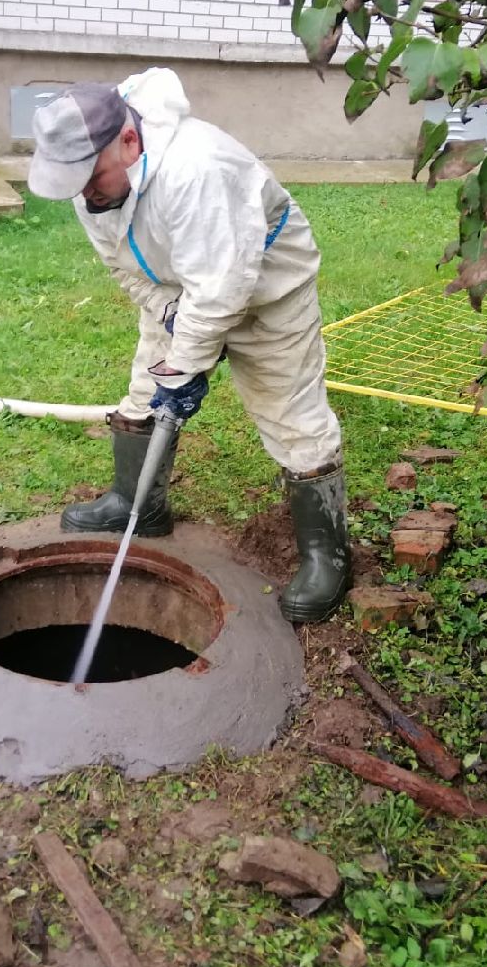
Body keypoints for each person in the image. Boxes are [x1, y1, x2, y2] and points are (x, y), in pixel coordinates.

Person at [26, 67, 350, 625]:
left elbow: (222, 288)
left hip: (269, 289)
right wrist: (168, 318)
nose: (83, 193)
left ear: (128, 141)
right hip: (179, 290)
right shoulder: (93, 184)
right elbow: (122, 267)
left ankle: (328, 556)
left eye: (91, 178)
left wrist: (189, 363)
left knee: (292, 414)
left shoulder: (198, 170)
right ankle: (139, 505)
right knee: (144, 393)